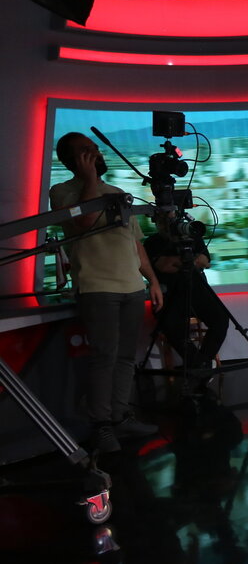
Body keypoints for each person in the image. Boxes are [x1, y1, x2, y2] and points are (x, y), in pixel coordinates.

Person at [49, 132, 163, 453]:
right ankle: (101, 426)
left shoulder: (117, 194)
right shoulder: (61, 192)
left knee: (125, 357)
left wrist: (152, 281)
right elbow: (84, 220)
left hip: (131, 287)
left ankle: (120, 416)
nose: (95, 153)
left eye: (94, 148)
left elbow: (135, 243)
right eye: (85, 151)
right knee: (104, 358)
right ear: (70, 161)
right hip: (97, 288)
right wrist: (89, 179)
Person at [144, 225, 229, 370]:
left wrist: (177, 262)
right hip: (168, 296)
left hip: (197, 291)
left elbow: (204, 262)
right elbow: (164, 265)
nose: (167, 221)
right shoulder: (152, 242)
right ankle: (201, 366)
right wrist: (190, 262)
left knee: (221, 318)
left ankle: (201, 364)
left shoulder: (193, 236)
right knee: (171, 327)